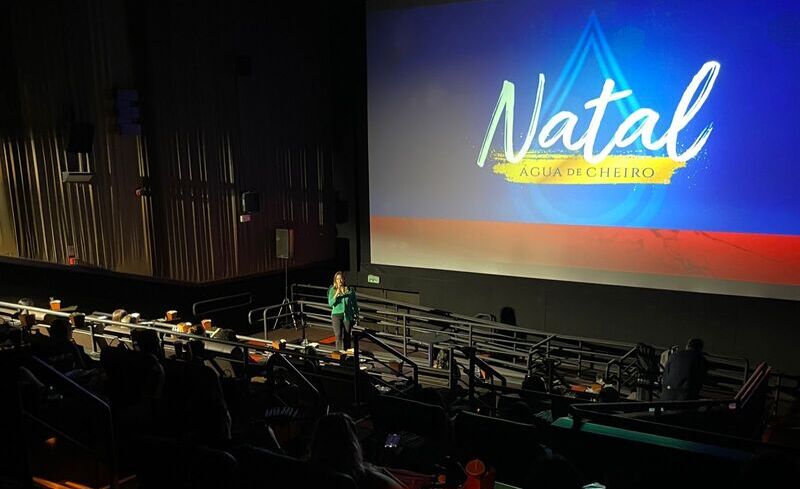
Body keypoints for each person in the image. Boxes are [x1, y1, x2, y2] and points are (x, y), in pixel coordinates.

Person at [308, 412, 402, 489]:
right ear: (352, 443)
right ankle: (391, 446)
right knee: (394, 431)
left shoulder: (306, 472)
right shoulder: (369, 478)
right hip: (384, 466)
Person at [328, 271, 359, 352]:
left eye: (341, 278)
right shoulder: (332, 290)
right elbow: (330, 304)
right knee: (338, 335)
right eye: (338, 279)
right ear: (335, 280)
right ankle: (338, 354)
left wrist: (356, 314)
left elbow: (354, 303)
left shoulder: (350, 290)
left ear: (344, 279)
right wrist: (336, 295)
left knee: (347, 336)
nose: (340, 281)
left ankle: (347, 354)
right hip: (336, 315)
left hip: (347, 315)